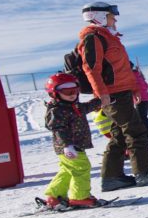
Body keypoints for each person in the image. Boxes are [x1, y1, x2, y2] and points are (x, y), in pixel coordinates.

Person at [78, 2, 148, 191]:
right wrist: (101, 93)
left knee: (119, 135)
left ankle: (112, 177)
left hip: (122, 92)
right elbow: (91, 68)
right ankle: (144, 172)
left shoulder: (110, 37)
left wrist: (134, 88)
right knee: (136, 130)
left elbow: (123, 70)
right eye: (112, 16)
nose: (115, 20)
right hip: (112, 94)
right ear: (99, 17)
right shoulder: (93, 38)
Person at [42, 73, 103, 209]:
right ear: (54, 93)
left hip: (74, 146)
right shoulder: (57, 110)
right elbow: (59, 130)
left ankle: (54, 196)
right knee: (82, 168)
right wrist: (67, 145)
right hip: (70, 147)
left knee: (67, 170)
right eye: (66, 91)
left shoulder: (74, 106)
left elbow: (87, 107)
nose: (72, 94)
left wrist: (101, 101)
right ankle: (79, 197)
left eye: (74, 90)